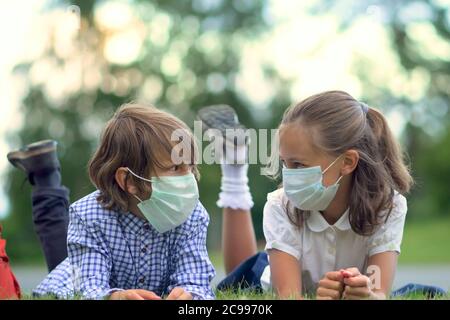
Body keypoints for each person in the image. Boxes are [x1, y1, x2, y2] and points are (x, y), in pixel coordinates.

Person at [204, 91, 447, 299]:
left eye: (298, 165)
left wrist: (367, 293)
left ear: (348, 162)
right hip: (275, 271)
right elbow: (288, 295)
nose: (288, 176)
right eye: (284, 164)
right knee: (246, 274)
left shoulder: (389, 206)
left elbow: (379, 291)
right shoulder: (280, 205)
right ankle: (234, 166)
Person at [8, 103, 215, 300]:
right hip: (75, 275)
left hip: (81, 262)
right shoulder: (88, 216)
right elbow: (88, 287)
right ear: (128, 180)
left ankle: (45, 172)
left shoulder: (193, 215)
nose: (190, 178)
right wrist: (113, 296)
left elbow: (196, 282)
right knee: (63, 259)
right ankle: (45, 175)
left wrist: (189, 294)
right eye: (175, 168)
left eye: (191, 166)